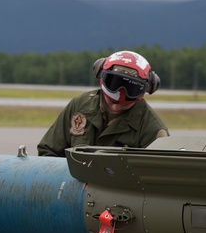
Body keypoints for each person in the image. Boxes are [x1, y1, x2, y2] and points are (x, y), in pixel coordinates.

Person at [37, 50, 169, 157]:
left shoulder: (152, 129)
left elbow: (157, 174)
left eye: (125, 104)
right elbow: (48, 153)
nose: (116, 106)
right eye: (115, 85)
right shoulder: (80, 105)